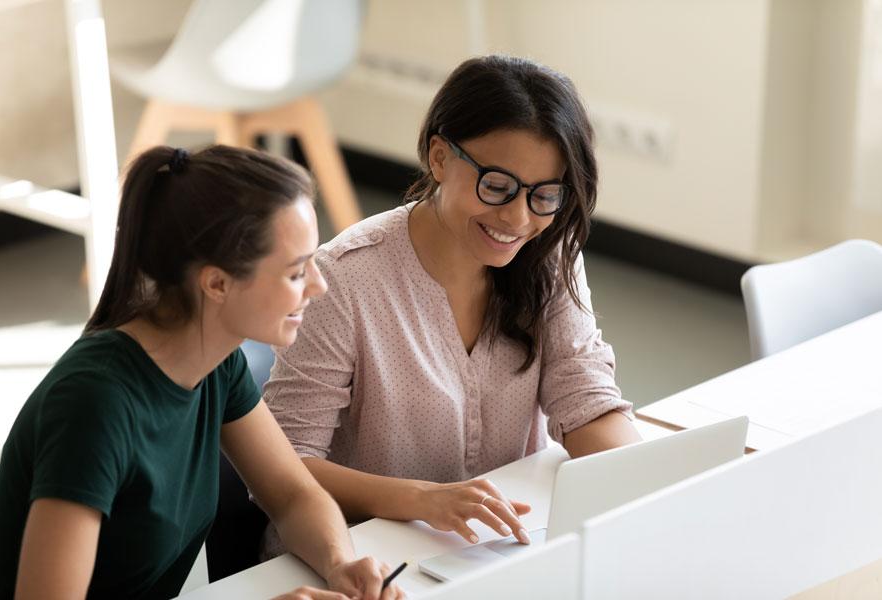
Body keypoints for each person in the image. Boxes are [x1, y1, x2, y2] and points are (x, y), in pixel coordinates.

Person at [262, 55, 642, 558]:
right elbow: (281, 468)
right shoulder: (345, 278)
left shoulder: (550, 257)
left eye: (545, 195)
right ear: (439, 158)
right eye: (498, 186)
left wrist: (646, 486)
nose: (518, 218)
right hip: (358, 553)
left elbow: (587, 400)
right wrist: (421, 499)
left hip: (492, 548)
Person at [0, 146, 402, 600]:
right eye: (297, 272)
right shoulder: (94, 406)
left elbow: (292, 494)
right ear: (217, 283)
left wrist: (340, 562)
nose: (319, 286)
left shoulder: (217, 362)